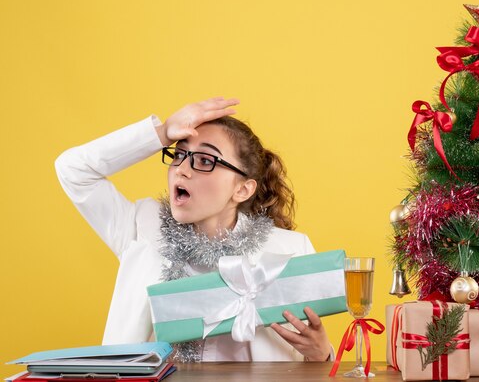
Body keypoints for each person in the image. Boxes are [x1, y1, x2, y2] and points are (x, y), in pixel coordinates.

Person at [55, 97, 332, 362]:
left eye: (204, 161)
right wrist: (162, 132)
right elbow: (73, 170)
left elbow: (309, 357)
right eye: (179, 154)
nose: (182, 170)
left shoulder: (290, 251)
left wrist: (321, 355)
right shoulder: (142, 225)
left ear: (243, 189)